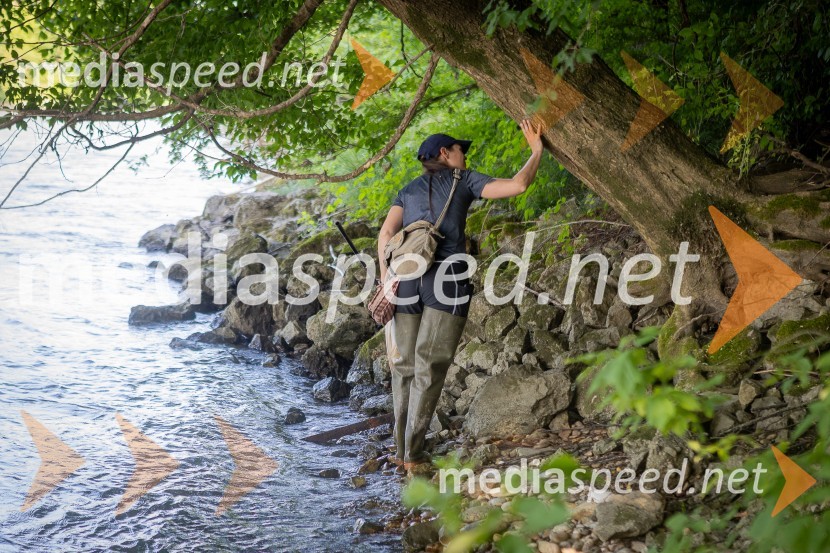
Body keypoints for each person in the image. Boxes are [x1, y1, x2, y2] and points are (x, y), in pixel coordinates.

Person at [377, 118, 545, 470]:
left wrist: (386, 278)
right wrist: (536, 150)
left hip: (405, 279)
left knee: (403, 366)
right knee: (429, 366)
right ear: (445, 153)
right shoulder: (464, 180)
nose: (464, 157)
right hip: (446, 281)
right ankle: (415, 454)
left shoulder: (407, 190)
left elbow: (386, 234)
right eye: (459, 151)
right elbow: (517, 185)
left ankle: (401, 451)